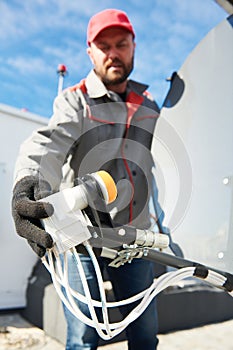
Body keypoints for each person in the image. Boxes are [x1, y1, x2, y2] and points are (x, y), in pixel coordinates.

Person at [12, 8, 161, 350]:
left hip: (136, 237)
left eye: (120, 44)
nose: (113, 53)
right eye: (103, 45)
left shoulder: (150, 106)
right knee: (82, 337)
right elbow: (46, 144)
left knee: (145, 334)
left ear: (133, 46)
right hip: (83, 240)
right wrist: (27, 185)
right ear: (90, 52)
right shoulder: (74, 101)